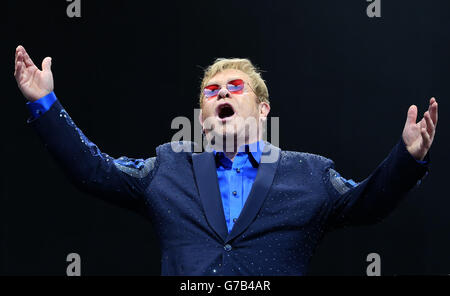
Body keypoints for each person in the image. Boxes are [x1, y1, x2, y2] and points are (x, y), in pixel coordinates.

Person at [13, 45, 438, 275]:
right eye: (212, 93)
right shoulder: (167, 168)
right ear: (202, 118)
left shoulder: (310, 173)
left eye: (235, 87)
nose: (222, 96)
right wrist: (45, 104)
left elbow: (367, 203)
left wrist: (407, 158)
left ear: (264, 109)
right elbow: (94, 170)